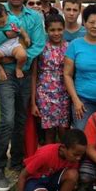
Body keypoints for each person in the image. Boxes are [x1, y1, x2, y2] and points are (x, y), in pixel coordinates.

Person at [0, 0, 46, 191]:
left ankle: (16, 161)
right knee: (7, 119)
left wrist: (20, 60)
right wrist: (4, 45)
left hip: (24, 73)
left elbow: (38, 44)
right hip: (4, 75)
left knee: (20, 118)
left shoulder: (33, 17)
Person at [17, 129, 87, 191]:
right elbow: (22, 176)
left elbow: (71, 176)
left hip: (50, 179)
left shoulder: (73, 158)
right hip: (35, 180)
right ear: (63, 148)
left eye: (81, 155)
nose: (79, 158)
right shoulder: (45, 154)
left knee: (73, 174)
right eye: (76, 155)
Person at [30, 14, 70, 144]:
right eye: (52, 30)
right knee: (50, 131)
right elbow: (34, 74)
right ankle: (50, 160)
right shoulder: (41, 47)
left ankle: (64, 160)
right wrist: (33, 102)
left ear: (64, 29)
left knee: (64, 129)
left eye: (59, 29)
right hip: (45, 94)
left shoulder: (69, 47)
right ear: (46, 30)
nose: (56, 33)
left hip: (64, 92)